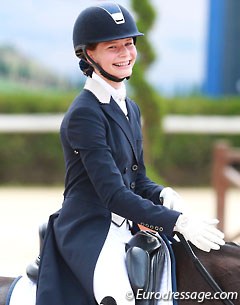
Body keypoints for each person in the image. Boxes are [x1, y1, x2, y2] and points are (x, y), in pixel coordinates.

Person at [36, 3, 225, 305]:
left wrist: (163, 194)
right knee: (121, 297)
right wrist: (178, 222)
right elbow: (114, 194)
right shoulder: (85, 114)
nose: (125, 54)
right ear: (88, 54)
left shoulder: (129, 107)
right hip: (90, 227)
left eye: (128, 44)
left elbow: (136, 180)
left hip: (124, 224)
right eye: (113, 47)